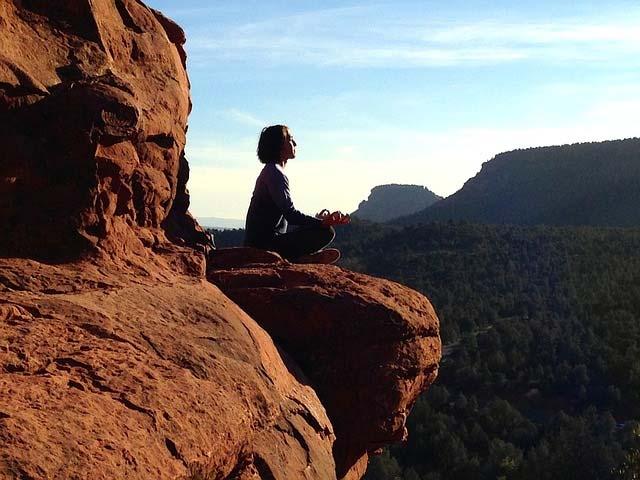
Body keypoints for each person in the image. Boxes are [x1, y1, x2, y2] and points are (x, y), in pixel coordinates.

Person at [244, 125, 349, 264]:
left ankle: (301, 257)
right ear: (280, 145)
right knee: (326, 232)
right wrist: (322, 223)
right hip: (265, 246)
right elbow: (291, 215)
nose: (295, 143)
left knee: (318, 227)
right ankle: (299, 259)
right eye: (290, 139)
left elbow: (286, 218)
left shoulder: (271, 171)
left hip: (262, 242)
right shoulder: (275, 173)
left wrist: (315, 221)